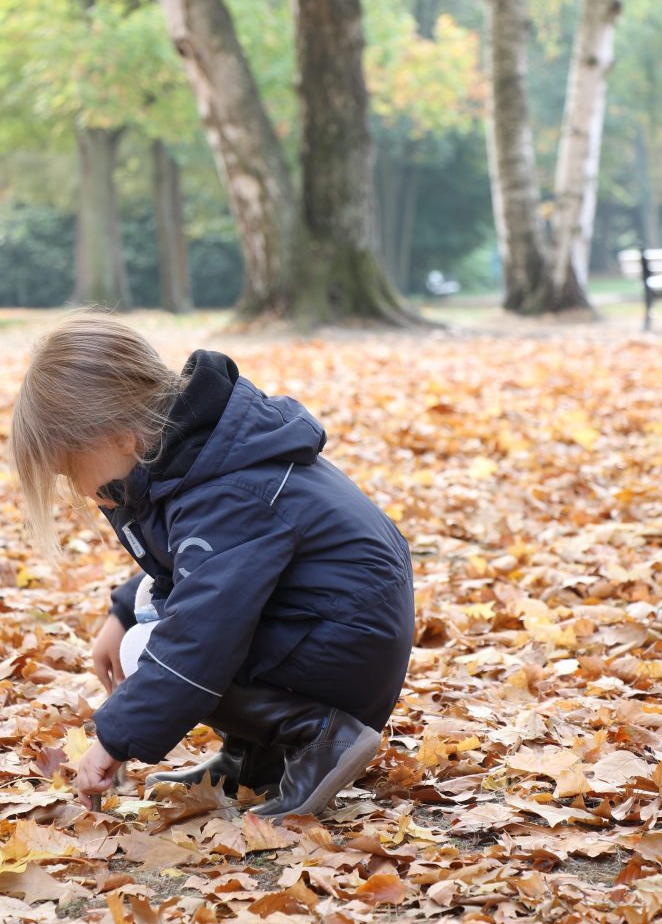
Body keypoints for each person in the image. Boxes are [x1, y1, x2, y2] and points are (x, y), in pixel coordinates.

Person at [9, 313, 414, 819]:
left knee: (154, 645)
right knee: (144, 610)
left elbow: (201, 632)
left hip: (345, 651)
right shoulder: (203, 455)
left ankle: (321, 735)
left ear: (118, 437)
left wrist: (113, 738)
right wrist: (121, 612)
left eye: (72, 469)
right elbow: (203, 568)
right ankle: (256, 757)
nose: (79, 490)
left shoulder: (226, 491)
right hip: (332, 633)